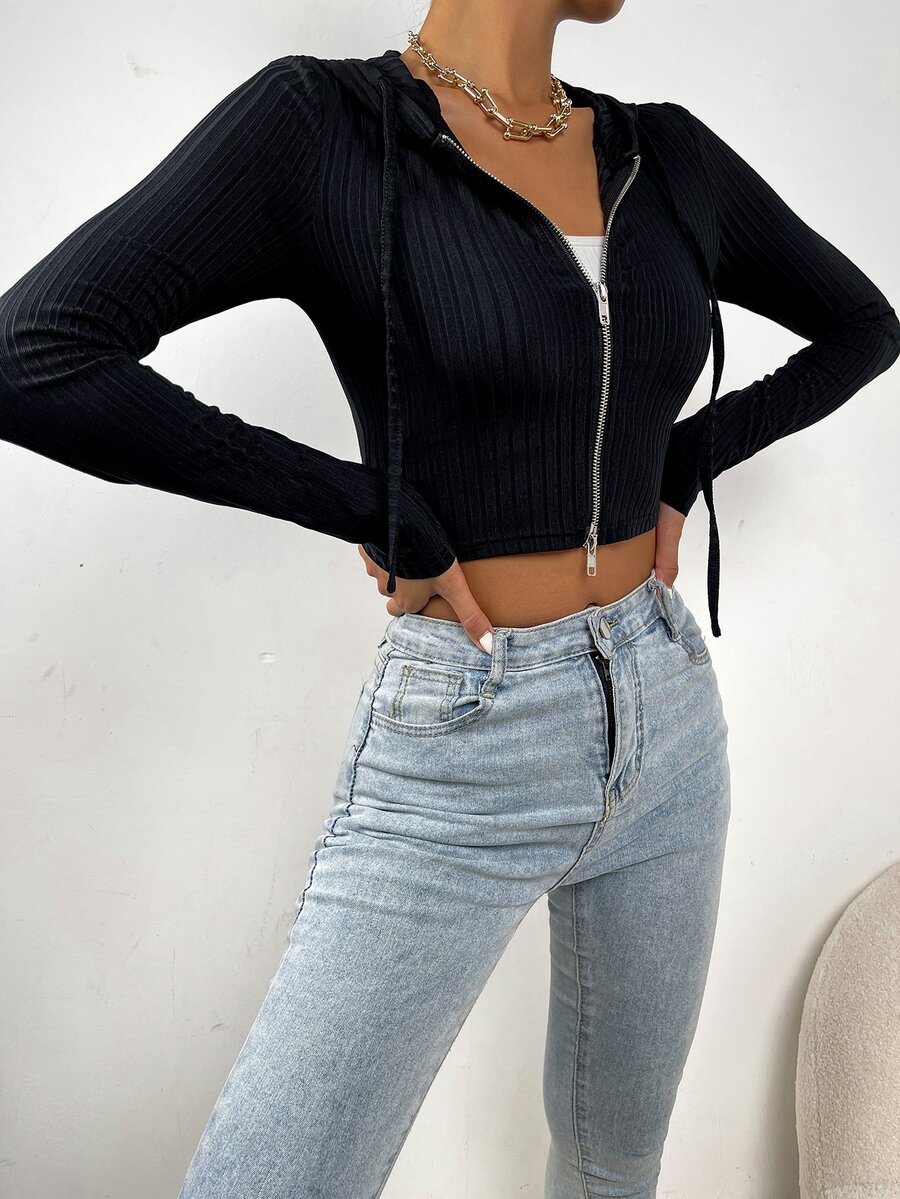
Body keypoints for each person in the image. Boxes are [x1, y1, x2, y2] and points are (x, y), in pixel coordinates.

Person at [1, 1, 897, 1195]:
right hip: (467, 732)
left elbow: (864, 324)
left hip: (669, 713)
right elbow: (35, 355)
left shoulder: (667, 153)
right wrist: (369, 504)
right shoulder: (324, 127)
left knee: (614, 1158)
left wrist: (688, 458)